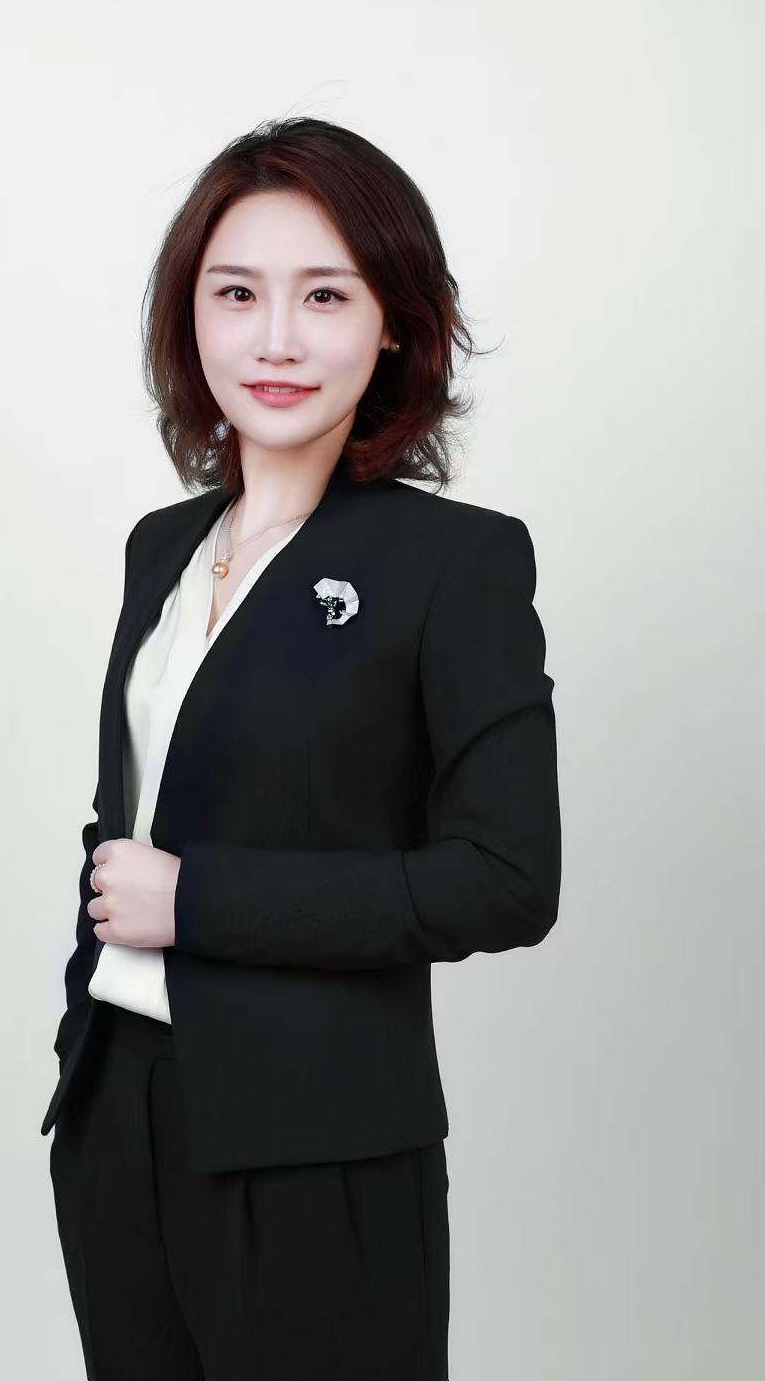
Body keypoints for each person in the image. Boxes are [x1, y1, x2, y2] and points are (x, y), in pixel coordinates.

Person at [42, 116, 562, 1381]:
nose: (275, 339)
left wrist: (198, 900)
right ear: (190, 319)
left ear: (392, 324)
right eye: (237, 294)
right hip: (121, 1111)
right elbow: (143, 806)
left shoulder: (456, 563)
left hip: (319, 1144)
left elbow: (506, 879)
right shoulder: (162, 547)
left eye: (324, 295)